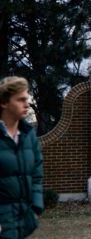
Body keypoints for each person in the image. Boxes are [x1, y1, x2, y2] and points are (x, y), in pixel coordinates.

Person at [0, 76, 44, 239]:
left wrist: (36, 208)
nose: (27, 104)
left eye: (27, 99)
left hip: (22, 220)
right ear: (4, 103)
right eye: (20, 100)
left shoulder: (28, 135)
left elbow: (36, 174)